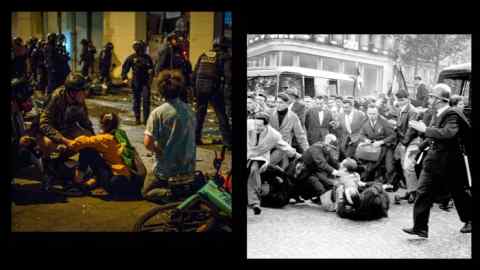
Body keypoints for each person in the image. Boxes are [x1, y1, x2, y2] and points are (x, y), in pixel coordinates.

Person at [403, 84, 472, 238]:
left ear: (440, 100)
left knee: (458, 192)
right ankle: (420, 228)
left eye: (432, 97)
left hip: (450, 162)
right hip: (434, 160)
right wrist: (420, 147)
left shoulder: (451, 114)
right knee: (423, 191)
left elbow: (448, 133)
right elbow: (434, 136)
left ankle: (470, 219)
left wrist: (424, 129)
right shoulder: (437, 113)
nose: (430, 99)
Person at [142, 70, 197, 204]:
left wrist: (159, 151)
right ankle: (184, 190)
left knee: (146, 192)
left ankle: (172, 194)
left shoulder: (157, 113)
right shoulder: (189, 110)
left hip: (166, 170)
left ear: (161, 90)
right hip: (189, 168)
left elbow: (147, 143)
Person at [62, 112, 145, 197]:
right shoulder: (120, 134)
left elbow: (82, 141)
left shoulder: (105, 138)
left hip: (115, 183)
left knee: (87, 151)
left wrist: (65, 143)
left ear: (102, 124)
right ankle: (88, 184)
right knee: (101, 160)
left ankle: (77, 184)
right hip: (127, 178)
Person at [37, 73, 96, 191]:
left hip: (66, 128)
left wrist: (95, 140)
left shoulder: (79, 100)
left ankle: (62, 164)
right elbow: (44, 124)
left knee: (88, 138)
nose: (85, 93)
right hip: (48, 132)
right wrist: (63, 140)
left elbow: (85, 121)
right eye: (82, 90)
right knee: (49, 144)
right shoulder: (56, 97)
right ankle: (47, 168)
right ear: (72, 92)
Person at [247, 111, 301, 215]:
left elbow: (285, 147)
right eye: (256, 124)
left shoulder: (274, 135)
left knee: (254, 169)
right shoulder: (248, 124)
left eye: (260, 126)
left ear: (267, 125)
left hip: (260, 158)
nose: (257, 127)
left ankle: (255, 203)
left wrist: (299, 156)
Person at [193, 37, 232, 148]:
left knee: (200, 113)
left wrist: (194, 89)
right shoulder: (225, 56)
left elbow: (195, 73)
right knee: (221, 114)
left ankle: (195, 139)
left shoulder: (204, 55)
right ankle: (227, 142)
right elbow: (228, 75)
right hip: (213, 87)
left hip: (199, 87)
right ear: (225, 47)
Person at [292, 134, 341, 203]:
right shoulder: (316, 148)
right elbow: (321, 163)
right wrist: (335, 172)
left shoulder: (326, 150)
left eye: (333, 148)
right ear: (326, 144)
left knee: (329, 183)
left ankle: (321, 197)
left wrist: (344, 169)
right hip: (303, 174)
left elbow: (334, 163)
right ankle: (325, 200)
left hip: (312, 173)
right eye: (330, 147)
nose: (331, 150)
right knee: (319, 185)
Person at [392, 90, 422, 204]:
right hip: (404, 141)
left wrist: (404, 144)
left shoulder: (412, 111)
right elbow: (401, 127)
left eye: (402, 100)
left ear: (408, 99)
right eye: (398, 100)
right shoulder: (400, 110)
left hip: (413, 141)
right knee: (404, 167)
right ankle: (410, 191)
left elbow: (411, 129)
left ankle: (414, 193)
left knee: (408, 166)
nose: (400, 102)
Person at [359, 105, 397, 188]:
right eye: (370, 113)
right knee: (370, 166)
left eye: (374, 114)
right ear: (367, 113)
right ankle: (372, 182)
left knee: (389, 167)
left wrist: (381, 142)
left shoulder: (384, 121)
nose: (371, 116)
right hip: (373, 147)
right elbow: (361, 134)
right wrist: (365, 140)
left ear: (378, 113)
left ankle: (390, 184)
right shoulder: (364, 121)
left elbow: (393, 135)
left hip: (386, 146)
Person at [269, 93, 309, 169]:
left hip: (284, 148)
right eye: (277, 102)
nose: (278, 104)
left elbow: (300, 135)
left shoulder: (293, 116)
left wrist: (307, 150)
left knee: (283, 170)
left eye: (281, 103)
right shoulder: (269, 113)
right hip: (269, 146)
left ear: (287, 104)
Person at [122, 40, 154, 125]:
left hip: (145, 82)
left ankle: (146, 119)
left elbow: (151, 69)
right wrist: (124, 78)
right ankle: (137, 118)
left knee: (146, 100)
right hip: (136, 81)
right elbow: (125, 68)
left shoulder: (147, 58)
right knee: (137, 100)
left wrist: (151, 78)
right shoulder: (132, 57)